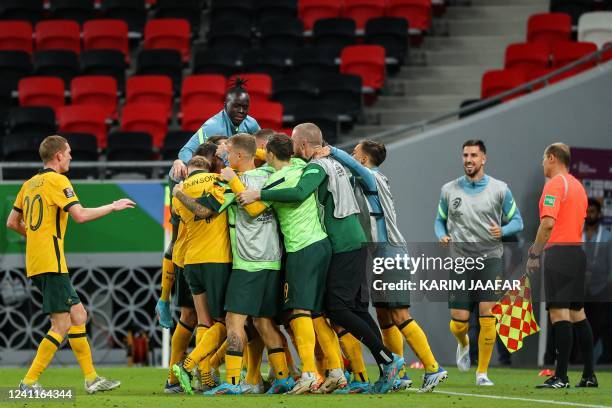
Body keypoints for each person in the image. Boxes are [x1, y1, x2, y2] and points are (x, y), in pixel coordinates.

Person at [238, 126, 405, 394]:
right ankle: (384, 367)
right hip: (351, 240)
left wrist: (260, 193)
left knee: (336, 309)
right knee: (353, 310)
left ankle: (387, 359)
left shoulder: (317, 168)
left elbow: (299, 192)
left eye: (294, 144)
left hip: (342, 243)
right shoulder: (334, 162)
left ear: (303, 144)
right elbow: (280, 156)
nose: (292, 150)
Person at [6, 135, 135, 393]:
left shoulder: (29, 184)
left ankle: (91, 379)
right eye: (69, 152)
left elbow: (11, 222)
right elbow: (80, 215)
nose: (71, 157)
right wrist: (113, 206)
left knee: (79, 315)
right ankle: (29, 382)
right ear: (58, 156)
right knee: (61, 325)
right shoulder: (58, 180)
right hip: (51, 261)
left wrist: (37, 237)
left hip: (37, 260)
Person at [324, 140, 447, 392]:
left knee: (400, 315)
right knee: (384, 317)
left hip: (390, 254)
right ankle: (398, 373)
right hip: (378, 255)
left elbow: (350, 166)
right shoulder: (369, 178)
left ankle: (433, 367)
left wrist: (331, 151)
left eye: (355, 153)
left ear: (364, 159)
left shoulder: (373, 178)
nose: (351, 155)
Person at [177, 134, 295, 395]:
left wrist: (180, 192)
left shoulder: (233, 183)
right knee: (264, 323)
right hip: (273, 261)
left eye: (228, 154)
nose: (224, 159)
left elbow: (204, 211)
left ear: (239, 157)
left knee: (233, 321)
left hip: (248, 263)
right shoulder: (269, 174)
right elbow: (261, 155)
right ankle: (284, 378)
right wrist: (242, 151)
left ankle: (232, 383)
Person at [231, 133, 333, 394]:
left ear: (270, 155)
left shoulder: (274, 182)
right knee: (316, 315)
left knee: (299, 314)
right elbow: (279, 157)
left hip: (301, 248)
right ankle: (335, 372)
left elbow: (252, 207)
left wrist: (238, 184)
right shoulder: (301, 166)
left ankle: (309, 373)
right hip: (321, 244)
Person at [434, 139, 524, 386]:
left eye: (474, 155)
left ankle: (481, 373)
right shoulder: (449, 190)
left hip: (490, 259)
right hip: (460, 261)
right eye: (465, 155)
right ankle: (463, 344)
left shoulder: (500, 189)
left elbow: (518, 221)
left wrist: (503, 230)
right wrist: (440, 234)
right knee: (459, 320)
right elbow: (439, 220)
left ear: (484, 158)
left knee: (487, 314)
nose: (469, 160)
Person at [527, 143, 595, 389]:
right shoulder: (578, 186)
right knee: (578, 314)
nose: (542, 164)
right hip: (577, 253)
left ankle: (561, 377)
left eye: (544, 159)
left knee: (559, 314)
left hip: (560, 255)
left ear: (553, 158)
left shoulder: (555, 185)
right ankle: (589, 375)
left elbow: (547, 224)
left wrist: (534, 252)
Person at [171, 156, 232, 395]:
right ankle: (189, 364)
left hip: (191, 262)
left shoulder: (180, 189)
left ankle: (206, 377)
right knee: (226, 322)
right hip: (216, 260)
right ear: (208, 166)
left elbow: (183, 218)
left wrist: (178, 192)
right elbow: (205, 210)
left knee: (204, 322)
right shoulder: (218, 180)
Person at [171, 78, 261, 181]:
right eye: (236, 106)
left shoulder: (251, 124)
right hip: (183, 179)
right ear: (225, 105)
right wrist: (183, 164)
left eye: (245, 107)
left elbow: (262, 150)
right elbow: (186, 151)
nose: (241, 111)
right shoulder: (212, 127)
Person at [583, 198, 612, 364]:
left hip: (600, 291)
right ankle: (577, 362)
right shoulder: (576, 234)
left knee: (601, 327)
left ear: (599, 214)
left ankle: (602, 364)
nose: (589, 215)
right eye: (586, 212)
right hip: (580, 289)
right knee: (578, 326)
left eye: (592, 212)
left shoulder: (608, 237)